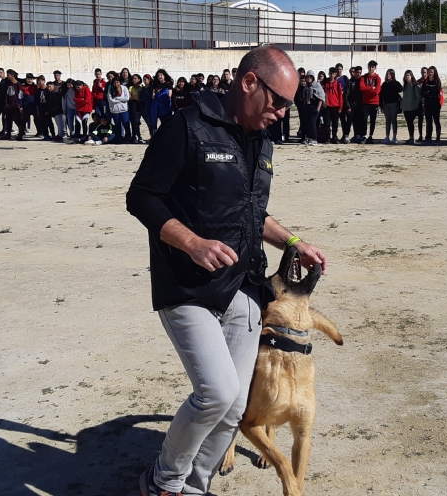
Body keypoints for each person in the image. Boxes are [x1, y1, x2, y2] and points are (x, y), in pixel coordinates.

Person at [126, 45, 326, 496]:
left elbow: (254, 212)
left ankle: (193, 488)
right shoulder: (186, 128)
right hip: (187, 284)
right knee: (216, 391)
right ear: (250, 82)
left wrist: (294, 242)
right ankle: (164, 481)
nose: (281, 113)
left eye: (288, 107)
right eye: (278, 101)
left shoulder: (262, 140)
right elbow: (141, 197)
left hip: (245, 286)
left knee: (236, 404)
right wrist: (192, 242)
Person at [359, 60, 381, 144]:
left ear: (375, 68)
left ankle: (371, 135)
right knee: (364, 119)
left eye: (372, 67)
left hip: (374, 103)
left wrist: (368, 89)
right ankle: (364, 135)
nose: (370, 68)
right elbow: (361, 88)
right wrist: (371, 88)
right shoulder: (363, 78)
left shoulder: (377, 78)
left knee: (373, 120)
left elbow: (377, 91)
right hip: (365, 102)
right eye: (369, 67)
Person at [302, 70, 326, 145]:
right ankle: (309, 138)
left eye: (310, 77)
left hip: (315, 107)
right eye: (308, 77)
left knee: (313, 122)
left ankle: (314, 138)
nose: (309, 79)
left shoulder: (317, 86)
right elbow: (305, 97)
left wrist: (318, 109)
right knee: (308, 123)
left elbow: (321, 97)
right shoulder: (306, 87)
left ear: (313, 78)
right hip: (308, 107)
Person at [379, 68, 401, 144]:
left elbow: (400, 89)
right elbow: (381, 96)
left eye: (390, 74)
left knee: (394, 120)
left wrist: (393, 82)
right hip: (386, 104)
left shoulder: (396, 83)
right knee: (388, 121)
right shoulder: (384, 84)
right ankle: (387, 136)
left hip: (394, 104)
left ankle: (394, 136)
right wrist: (381, 106)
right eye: (387, 74)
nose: (388, 75)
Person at [322, 67, 344, 144]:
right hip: (327, 106)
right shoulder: (325, 83)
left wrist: (340, 107)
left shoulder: (338, 84)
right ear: (329, 73)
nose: (332, 75)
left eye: (333, 74)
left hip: (335, 106)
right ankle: (327, 137)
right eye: (330, 73)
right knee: (327, 123)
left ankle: (334, 136)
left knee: (335, 123)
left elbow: (340, 96)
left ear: (335, 75)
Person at [400, 69, 423, 144]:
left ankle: (418, 136)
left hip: (413, 108)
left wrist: (415, 105)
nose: (407, 77)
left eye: (408, 75)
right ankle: (411, 137)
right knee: (409, 123)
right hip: (406, 108)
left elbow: (419, 97)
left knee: (413, 123)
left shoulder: (415, 86)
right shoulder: (405, 86)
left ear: (411, 76)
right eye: (406, 76)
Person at [1, 69, 25, 141]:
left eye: (8, 75)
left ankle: (21, 133)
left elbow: (20, 95)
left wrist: (20, 106)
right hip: (8, 105)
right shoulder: (7, 84)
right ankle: (8, 134)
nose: (7, 76)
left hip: (16, 105)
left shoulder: (18, 84)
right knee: (8, 120)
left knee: (18, 120)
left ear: (12, 75)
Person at [421, 66, 442, 143]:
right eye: (429, 72)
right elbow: (422, 92)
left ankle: (438, 136)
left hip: (436, 104)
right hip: (427, 104)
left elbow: (438, 91)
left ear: (434, 73)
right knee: (428, 121)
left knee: (436, 120)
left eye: (432, 72)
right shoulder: (425, 82)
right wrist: (428, 93)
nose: (430, 73)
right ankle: (428, 137)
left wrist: (430, 92)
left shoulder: (437, 81)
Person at [108, 77, 131, 143]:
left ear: (119, 82)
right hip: (115, 110)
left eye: (117, 82)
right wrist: (121, 99)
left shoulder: (124, 88)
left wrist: (117, 98)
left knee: (126, 124)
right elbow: (110, 100)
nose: (116, 84)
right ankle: (118, 138)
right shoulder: (110, 90)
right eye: (114, 83)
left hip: (124, 110)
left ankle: (128, 137)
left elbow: (127, 98)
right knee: (117, 125)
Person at [34, 75, 54, 141]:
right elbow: (37, 101)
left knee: (49, 122)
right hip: (41, 108)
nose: (40, 82)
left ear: (44, 81)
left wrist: (48, 110)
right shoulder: (38, 91)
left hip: (47, 108)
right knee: (43, 123)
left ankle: (53, 135)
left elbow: (50, 101)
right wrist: (37, 110)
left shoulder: (47, 90)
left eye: (41, 81)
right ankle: (46, 135)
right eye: (38, 81)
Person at [347, 66, 364, 143]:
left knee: (359, 121)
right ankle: (346, 135)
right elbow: (347, 95)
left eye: (360, 73)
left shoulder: (362, 80)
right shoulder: (350, 82)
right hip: (351, 105)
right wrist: (348, 106)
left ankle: (358, 135)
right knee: (349, 121)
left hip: (360, 105)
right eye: (357, 72)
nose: (358, 74)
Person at [335, 63, 350, 143]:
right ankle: (335, 136)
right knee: (335, 121)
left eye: (340, 69)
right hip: (335, 103)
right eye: (337, 69)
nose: (339, 71)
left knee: (344, 120)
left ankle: (345, 135)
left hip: (343, 103)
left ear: (342, 70)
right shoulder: (333, 79)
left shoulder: (345, 78)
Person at [129, 74, 144, 144]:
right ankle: (136, 135)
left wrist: (135, 96)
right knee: (135, 121)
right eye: (133, 79)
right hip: (134, 104)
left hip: (141, 104)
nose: (133, 80)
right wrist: (136, 96)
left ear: (139, 79)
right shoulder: (131, 87)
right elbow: (130, 97)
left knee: (137, 121)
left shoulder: (142, 87)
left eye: (135, 78)